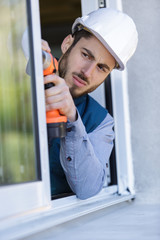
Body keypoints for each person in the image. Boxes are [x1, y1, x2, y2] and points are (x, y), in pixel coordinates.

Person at [41, 7, 138, 200]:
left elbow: (87, 189)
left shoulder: (101, 122)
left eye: (101, 68)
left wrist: (72, 119)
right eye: (86, 55)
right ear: (68, 44)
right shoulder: (22, 83)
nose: (88, 72)